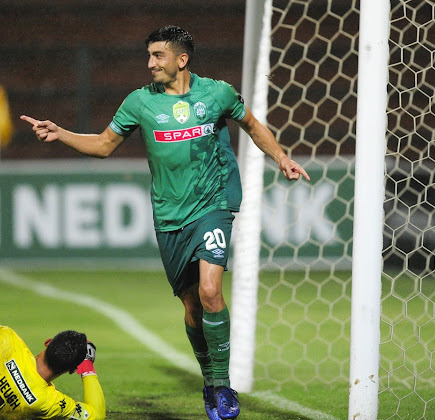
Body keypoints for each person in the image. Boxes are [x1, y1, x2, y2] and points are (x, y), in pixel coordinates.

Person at [21, 25, 309, 420]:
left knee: (211, 292)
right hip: (170, 217)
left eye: (158, 55)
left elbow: (254, 127)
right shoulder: (140, 102)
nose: (150, 63)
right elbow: (104, 145)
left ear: (181, 60)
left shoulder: (218, 93)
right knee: (192, 307)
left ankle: (223, 387)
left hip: (213, 204)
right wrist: (62, 133)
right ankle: (209, 378)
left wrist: (281, 156)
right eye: (149, 55)